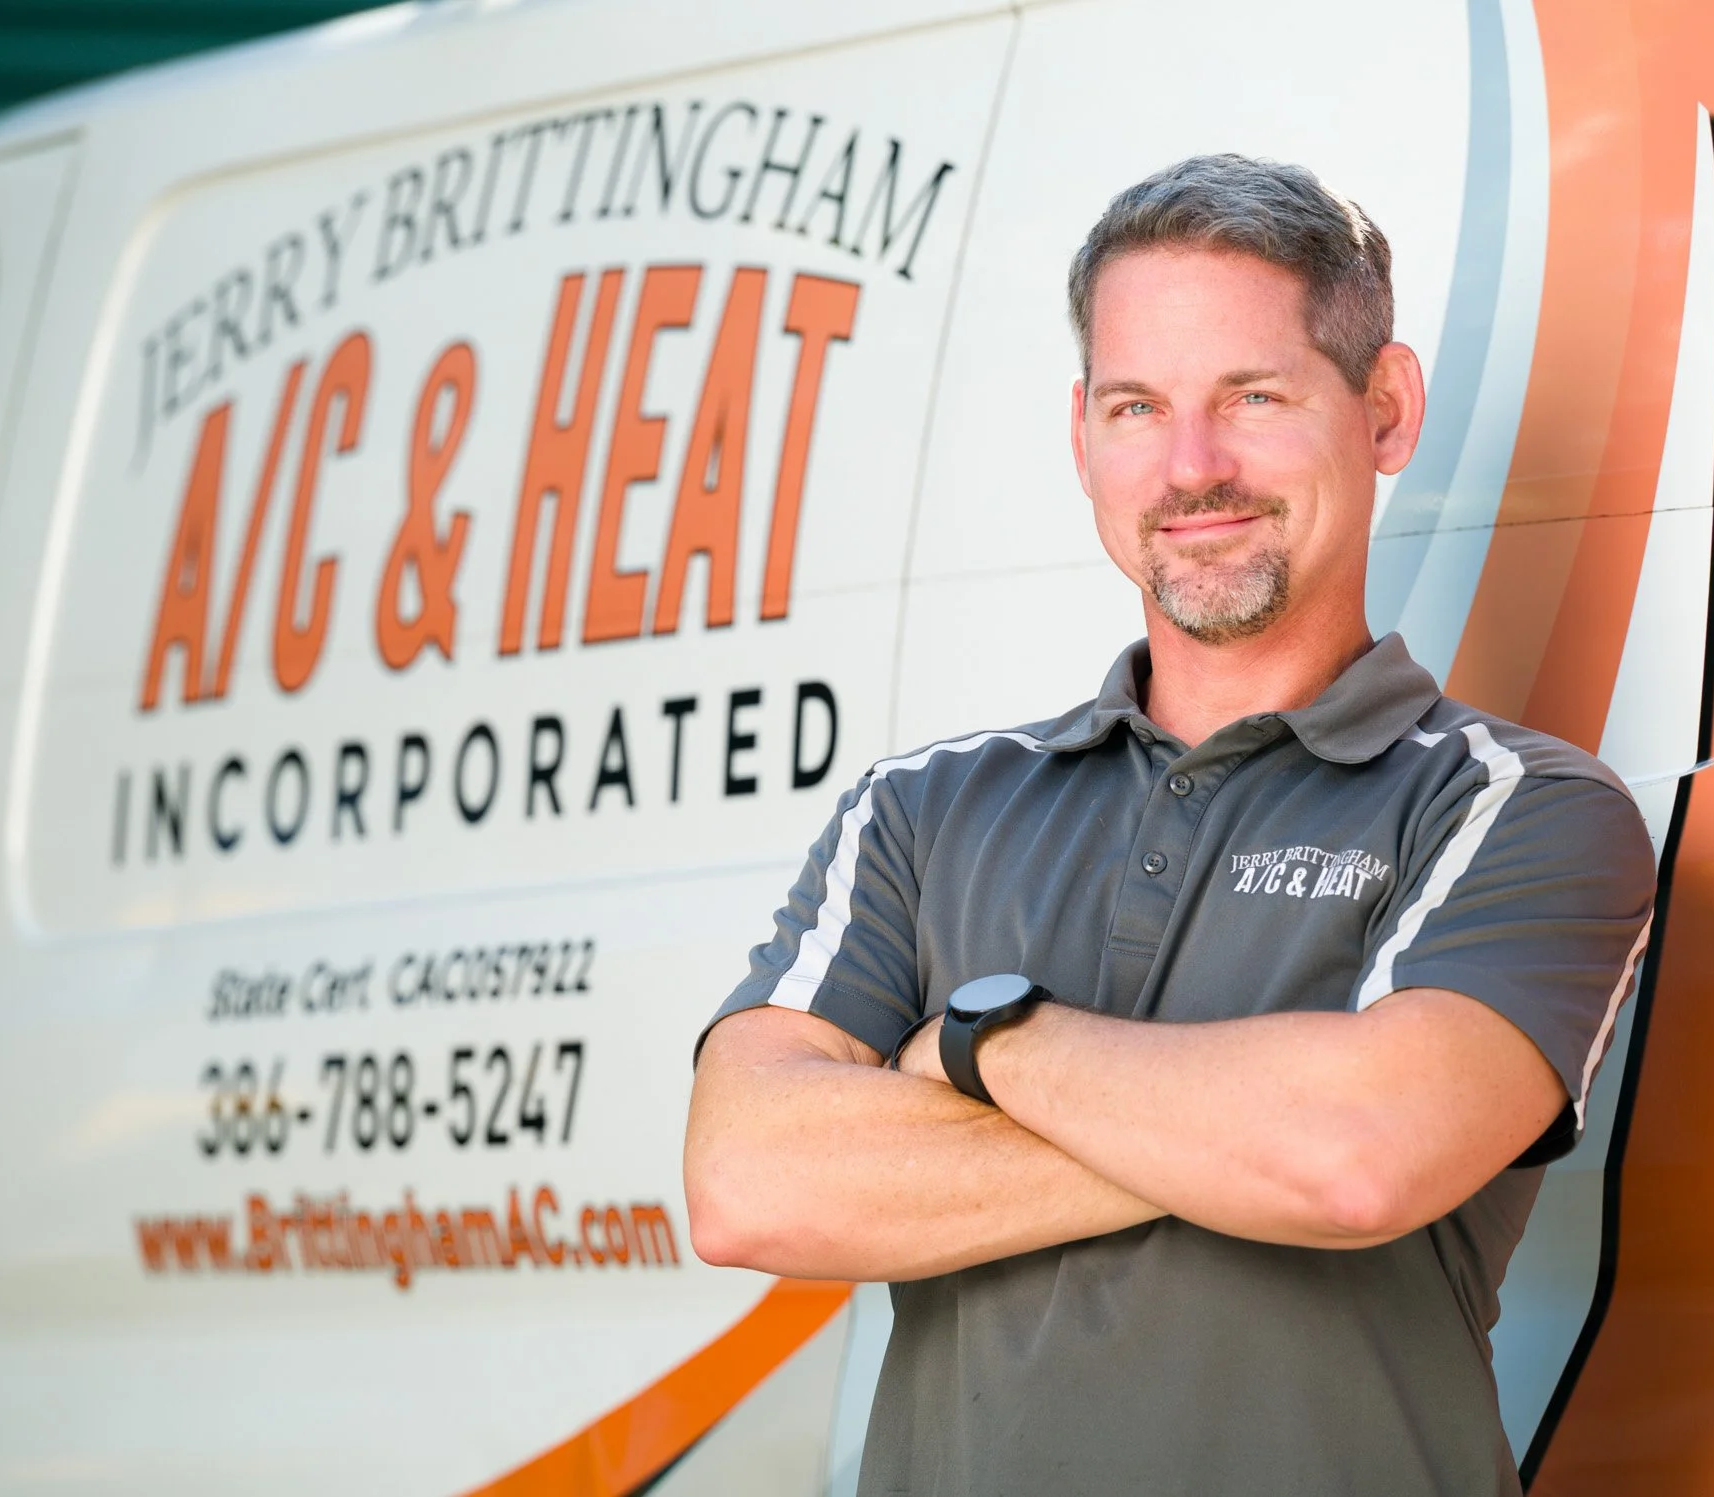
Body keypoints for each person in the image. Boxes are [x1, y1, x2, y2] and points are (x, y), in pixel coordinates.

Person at [682, 153, 1657, 1497]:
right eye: (1138, 407)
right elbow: (750, 1186)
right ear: (1082, 434)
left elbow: (1354, 1161)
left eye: (1251, 397)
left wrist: (980, 1044)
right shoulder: (923, 811)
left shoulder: (1513, 806)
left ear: (1383, 409)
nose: (1190, 469)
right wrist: (1239, 1124)